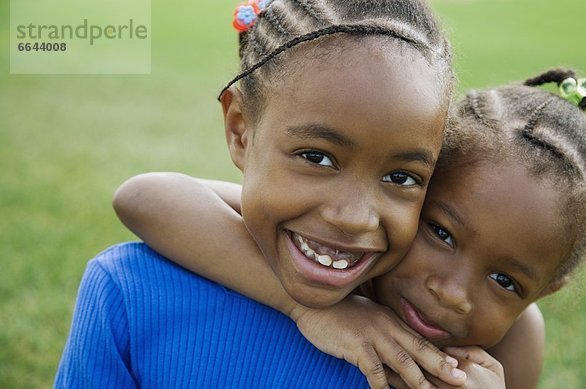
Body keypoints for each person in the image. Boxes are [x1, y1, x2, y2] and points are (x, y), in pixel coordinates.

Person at [55, 0, 463, 388]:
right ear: (240, 131)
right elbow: (141, 197)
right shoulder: (129, 292)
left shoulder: (416, 353)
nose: (354, 217)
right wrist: (303, 309)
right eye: (317, 158)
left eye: (401, 178)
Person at [110, 69, 586, 388]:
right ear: (413, 190)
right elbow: (145, 196)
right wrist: (308, 308)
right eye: (442, 234)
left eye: (506, 282)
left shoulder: (514, 344)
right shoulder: (341, 246)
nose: (453, 294)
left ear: (543, 293)